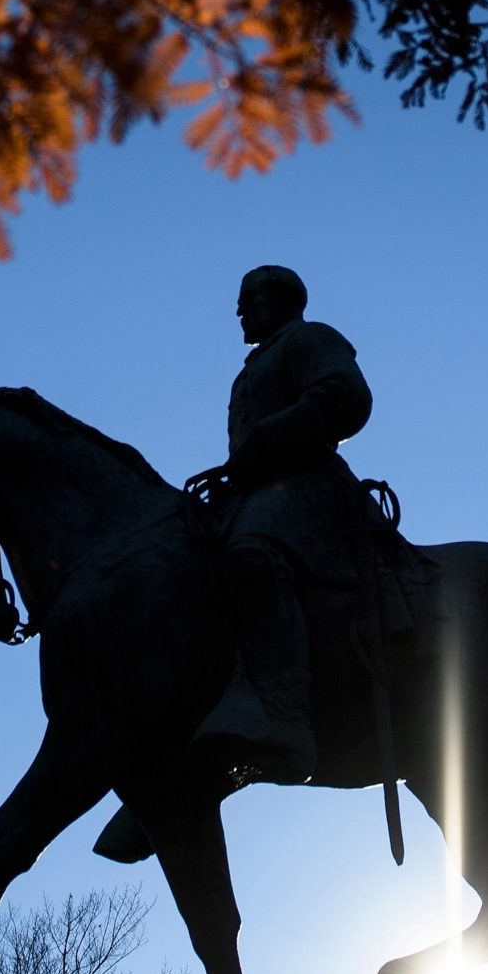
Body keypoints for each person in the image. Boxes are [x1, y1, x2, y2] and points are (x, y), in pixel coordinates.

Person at [191, 263, 372, 784]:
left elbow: (344, 395)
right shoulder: (248, 372)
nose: (240, 311)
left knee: (251, 556)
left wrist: (273, 435)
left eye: (248, 298)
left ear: (280, 298)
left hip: (309, 487)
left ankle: (285, 715)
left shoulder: (311, 339)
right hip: (255, 492)